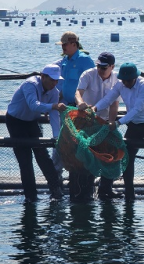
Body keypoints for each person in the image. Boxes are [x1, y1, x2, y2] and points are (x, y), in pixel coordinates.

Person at [93, 62, 144, 202]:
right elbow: (108, 99)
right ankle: (129, 193)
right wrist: (95, 108)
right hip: (134, 125)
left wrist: (118, 123)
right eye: (123, 80)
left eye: (128, 81)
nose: (126, 83)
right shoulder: (120, 84)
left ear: (135, 78)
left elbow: (137, 110)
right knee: (127, 159)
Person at [6, 64, 66, 203]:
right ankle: (31, 196)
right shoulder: (30, 84)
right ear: (42, 76)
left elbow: (54, 116)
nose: (54, 83)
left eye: (57, 80)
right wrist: (53, 106)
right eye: (52, 79)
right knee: (25, 160)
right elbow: (33, 104)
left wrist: (56, 136)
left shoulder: (54, 92)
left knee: (43, 156)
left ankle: (56, 191)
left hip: (32, 121)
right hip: (15, 121)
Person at [53, 31, 95, 202]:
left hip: (81, 111)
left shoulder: (85, 60)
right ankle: (64, 184)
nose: (62, 48)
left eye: (64, 44)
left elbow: (93, 82)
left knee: (82, 145)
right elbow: (63, 83)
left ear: (73, 44)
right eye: (61, 45)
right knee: (65, 145)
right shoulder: (64, 61)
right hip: (66, 109)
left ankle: (86, 187)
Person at [75, 52, 121, 201]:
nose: (100, 69)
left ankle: (106, 189)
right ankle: (86, 191)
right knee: (88, 156)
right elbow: (78, 92)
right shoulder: (88, 74)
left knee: (112, 154)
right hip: (88, 121)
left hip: (106, 121)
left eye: (104, 67)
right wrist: (80, 102)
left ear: (112, 67)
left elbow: (115, 104)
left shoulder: (117, 79)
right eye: (98, 65)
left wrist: (111, 123)